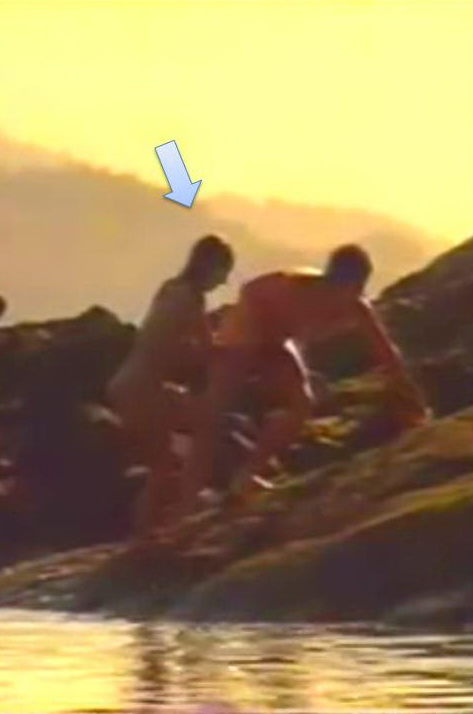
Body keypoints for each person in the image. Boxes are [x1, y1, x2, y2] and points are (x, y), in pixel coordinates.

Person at [181, 244, 430, 513]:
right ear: (334, 280)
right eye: (348, 287)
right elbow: (251, 290)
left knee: (302, 403)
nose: (352, 295)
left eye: (358, 288)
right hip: (246, 333)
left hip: (277, 342)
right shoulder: (297, 285)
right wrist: (247, 341)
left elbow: (386, 352)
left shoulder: (356, 307)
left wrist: (410, 396)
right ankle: (186, 499)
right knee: (215, 411)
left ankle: (246, 476)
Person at [106, 235, 234, 537]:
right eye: (222, 273)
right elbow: (203, 348)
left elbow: (167, 340)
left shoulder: (170, 288)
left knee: (162, 465)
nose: (223, 281)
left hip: (125, 384)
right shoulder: (192, 299)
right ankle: (180, 516)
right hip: (145, 389)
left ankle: (148, 531)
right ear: (209, 267)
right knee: (206, 426)